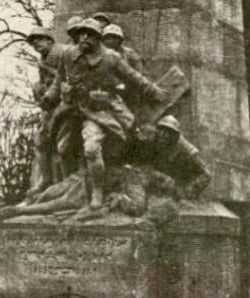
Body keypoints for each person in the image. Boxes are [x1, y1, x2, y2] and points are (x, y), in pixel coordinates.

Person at [42, 18, 167, 209]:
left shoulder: (110, 58)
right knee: (62, 147)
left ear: (99, 38)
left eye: (90, 34)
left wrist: (153, 90)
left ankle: (97, 192)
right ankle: (70, 187)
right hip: (75, 109)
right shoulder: (68, 54)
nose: (84, 37)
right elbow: (59, 78)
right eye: (82, 33)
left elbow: (134, 77)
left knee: (92, 149)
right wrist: (50, 96)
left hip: (101, 110)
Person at [25, 28, 66, 193]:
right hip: (51, 104)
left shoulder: (63, 53)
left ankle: (63, 182)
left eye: (39, 40)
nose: (36, 45)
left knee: (63, 145)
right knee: (41, 142)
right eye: (34, 44)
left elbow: (69, 77)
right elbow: (44, 82)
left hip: (68, 103)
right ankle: (46, 180)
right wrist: (39, 90)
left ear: (49, 40)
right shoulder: (43, 58)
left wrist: (49, 72)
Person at [137, 115, 212, 199]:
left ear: (174, 135)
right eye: (161, 131)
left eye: (168, 133)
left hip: (180, 187)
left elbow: (206, 174)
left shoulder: (186, 149)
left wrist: (187, 192)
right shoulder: (154, 139)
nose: (163, 135)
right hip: (161, 187)